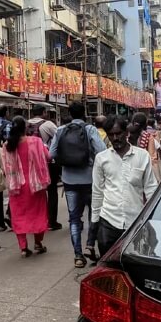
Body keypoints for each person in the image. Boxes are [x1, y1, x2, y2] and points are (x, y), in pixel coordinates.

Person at [49, 101, 107, 267]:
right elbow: (102, 151)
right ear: (84, 113)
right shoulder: (90, 130)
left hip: (69, 181)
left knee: (74, 219)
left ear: (69, 113)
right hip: (90, 180)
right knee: (93, 215)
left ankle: (78, 256)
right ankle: (90, 245)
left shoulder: (60, 131)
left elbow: (51, 154)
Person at [92, 116, 158, 257]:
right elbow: (97, 192)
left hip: (136, 222)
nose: (115, 138)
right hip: (109, 220)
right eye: (111, 135)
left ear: (126, 133)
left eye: (118, 133)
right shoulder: (101, 159)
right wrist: (95, 223)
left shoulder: (142, 156)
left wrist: (153, 218)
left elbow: (151, 189)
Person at [0, 116, 50, 257]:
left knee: (19, 216)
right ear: (25, 127)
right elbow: (48, 156)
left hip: (16, 187)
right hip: (36, 186)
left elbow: (4, 168)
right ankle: (38, 243)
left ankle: (23, 247)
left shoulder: (7, 146)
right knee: (38, 214)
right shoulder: (36, 142)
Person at [27, 104, 60, 230]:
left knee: (33, 192)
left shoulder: (26, 123)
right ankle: (52, 221)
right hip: (46, 162)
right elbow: (59, 138)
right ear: (44, 112)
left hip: (29, 163)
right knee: (52, 191)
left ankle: (33, 219)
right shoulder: (49, 125)